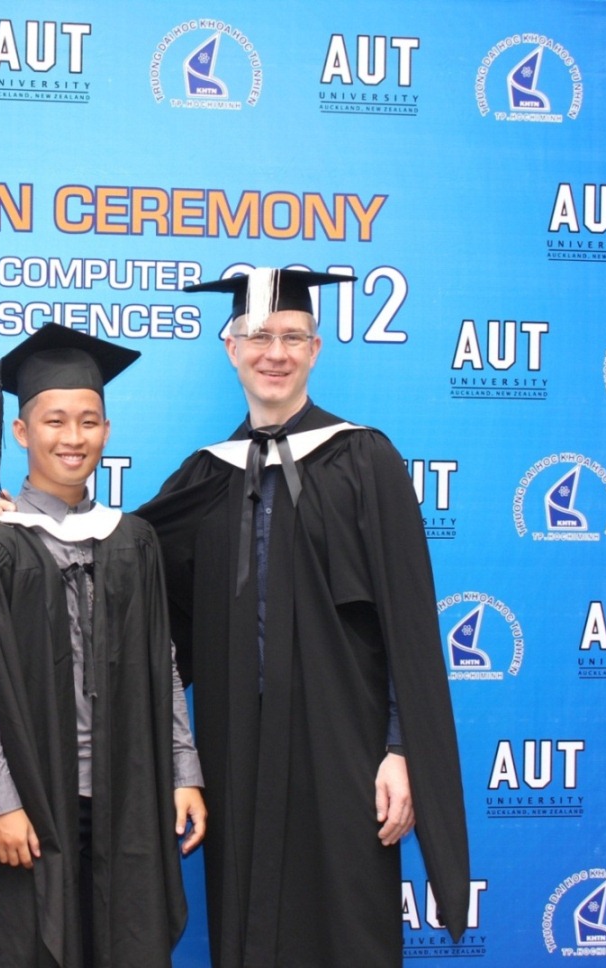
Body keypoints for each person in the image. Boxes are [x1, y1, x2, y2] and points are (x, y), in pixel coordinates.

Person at [132, 267, 471, 967]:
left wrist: (402, 749)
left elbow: (407, 618)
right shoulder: (207, 476)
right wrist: (32, 531)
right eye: (259, 336)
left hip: (344, 740)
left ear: (316, 349)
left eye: (292, 336)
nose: (275, 352)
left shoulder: (364, 460)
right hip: (236, 744)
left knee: (347, 920)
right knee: (247, 921)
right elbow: (127, 568)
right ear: (231, 348)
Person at [0, 324, 207, 968]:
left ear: (107, 432)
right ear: (22, 431)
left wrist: (184, 772)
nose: (73, 437)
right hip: (30, 804)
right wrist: (1, 802)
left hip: (125, 797)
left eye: (88, 422)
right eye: (54, 421)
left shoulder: (133, 541)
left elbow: (163, 665)